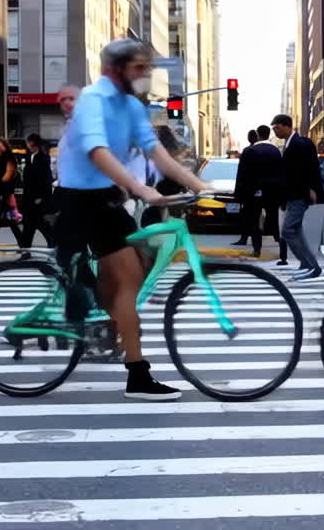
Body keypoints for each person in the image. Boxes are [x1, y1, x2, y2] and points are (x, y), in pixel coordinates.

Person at [56, 38, 209, 401]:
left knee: (132, 271)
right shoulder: (92, 100)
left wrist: (201, 185)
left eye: (147, 67)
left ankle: (109, 321)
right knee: (129, 278)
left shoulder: (132, 106)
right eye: (139, 67)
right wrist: (141, 188)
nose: (146, 74)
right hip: (78, 200)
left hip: (107, 198)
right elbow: (97, 151)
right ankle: (137, 375)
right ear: (115, 69)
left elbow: (157, 152)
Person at [271, 114, 323, 280]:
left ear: (286, 126)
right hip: (293, 194)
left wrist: (311, 189)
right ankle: (307, 265)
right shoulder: (290, 143)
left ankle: (311, 265)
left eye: (277, 128)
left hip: (299, 194)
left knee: (288, 230)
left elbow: (308, 168)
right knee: (296, 229)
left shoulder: (300, 143)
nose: (275, 131)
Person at [250, 125, 288, 263]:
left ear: (258, 135)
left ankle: (257, 249)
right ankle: (280, 246)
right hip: (273, 191)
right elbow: (282, 173)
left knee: (255, 220)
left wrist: (241, 194)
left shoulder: (251, 151)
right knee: (274, 219)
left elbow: (244, 174)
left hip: (255, 192)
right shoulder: (276, 151)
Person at [15, 133, 56, 249]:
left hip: (37, 198)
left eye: (29, 142)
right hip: (28, 197)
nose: (27, 145)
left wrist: (41, 197)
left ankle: (51, 242)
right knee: (31, 224)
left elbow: (46, 180)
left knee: (37, 223)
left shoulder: (44, 158)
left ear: (34, 143)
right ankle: (26, 247)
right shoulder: (28, 157)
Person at [231, 129, 261, 246]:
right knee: (255, 217)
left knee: (246, 216)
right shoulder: (261, 150)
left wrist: (238, 192)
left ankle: (245, 239)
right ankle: (253, 240)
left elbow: (241, 173)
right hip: (258, 190)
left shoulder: (247, 151)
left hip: (247, 190)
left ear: (249, 139)